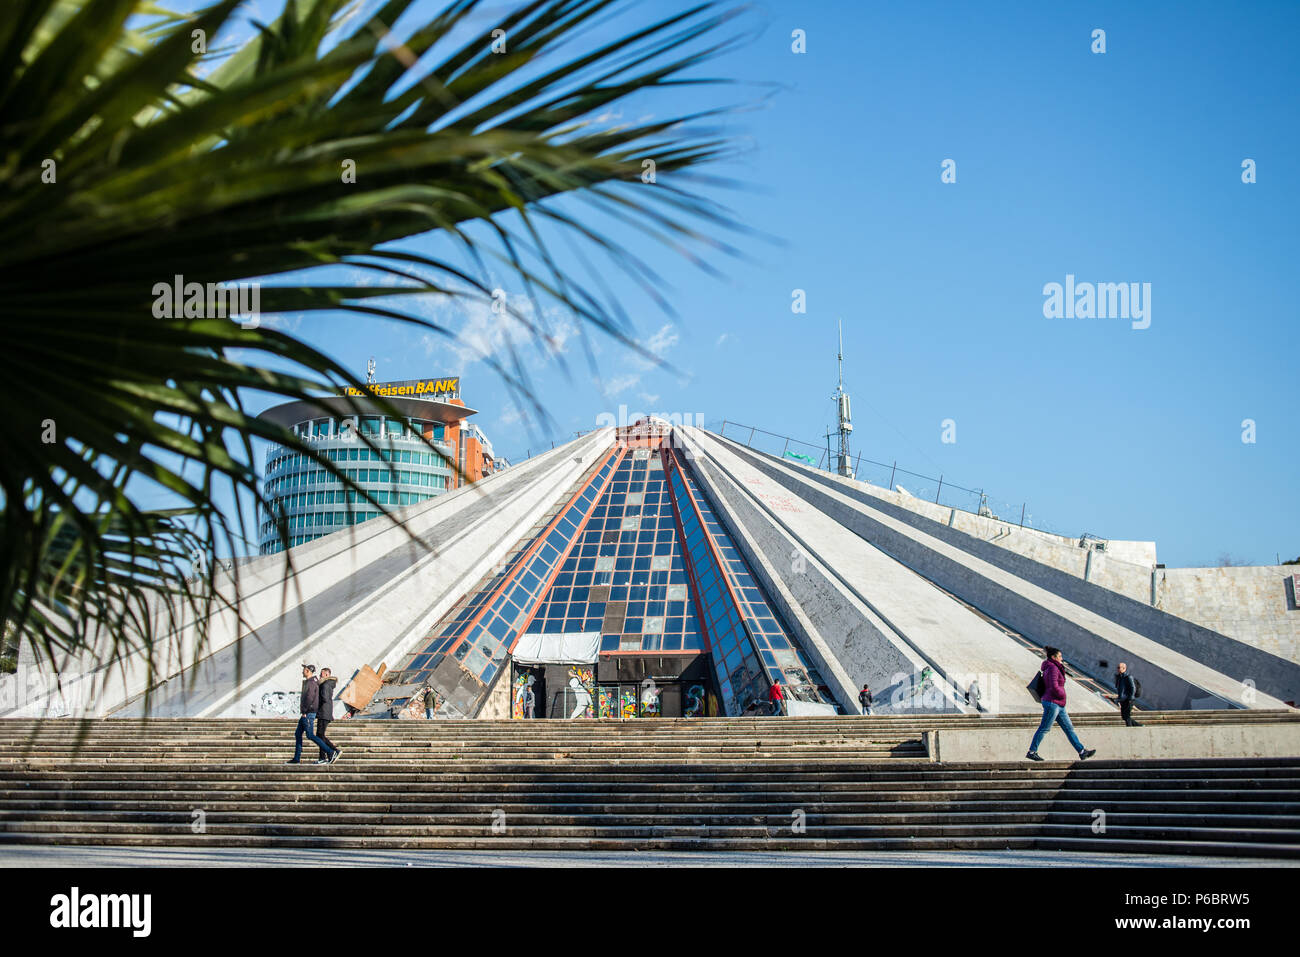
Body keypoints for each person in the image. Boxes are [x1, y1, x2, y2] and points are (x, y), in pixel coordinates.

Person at [1026, 648, 1096, 762]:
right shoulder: (1053, 667)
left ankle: (1082, 751)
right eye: (1059, 656)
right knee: (1044, 728)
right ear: (1053, 657)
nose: (1061, 658)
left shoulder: (1052, 666)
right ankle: (1032, 752)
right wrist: (1062, 694)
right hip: (1052, 702)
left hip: (1058, 704)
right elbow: (1053, 685)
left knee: (1069, 728)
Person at [286, 664, 339, 765]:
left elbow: (310, 698)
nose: (302, 672)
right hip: (306, 713)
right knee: (298, 734)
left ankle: (331, 752)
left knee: (310, 735)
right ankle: (296, 758)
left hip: (308, 713)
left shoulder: (311, 683)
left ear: (307, 671)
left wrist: (305, 711)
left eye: (304, 670)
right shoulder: (312, 682)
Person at [316, 668, 342, 764]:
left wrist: (316, 704)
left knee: (320, 735)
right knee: (320, 735)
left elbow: (325, 698)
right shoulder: (328, 684)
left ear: (327, 674)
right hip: (325, 712)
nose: (320, 675)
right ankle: (322, 757)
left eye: (321, 674)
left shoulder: (325, 684)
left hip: (324, 712)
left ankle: (334, 750)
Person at [1114, 662, 1142, 727]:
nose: (1117, 669)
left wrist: (1130, 698)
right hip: (1122, 699)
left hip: (1128, 699)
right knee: (1124, 716)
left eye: (1119, 667)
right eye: (1117, 667)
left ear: (1124, 668)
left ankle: (1129, 728)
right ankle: (1139, 725)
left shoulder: (1128, 677)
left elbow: (1133, 688)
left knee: (1126, 716)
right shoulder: (1119, 678)